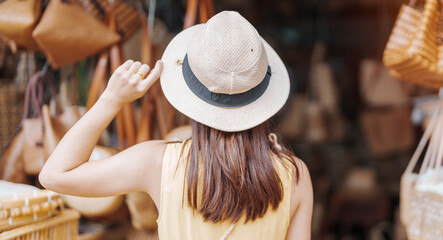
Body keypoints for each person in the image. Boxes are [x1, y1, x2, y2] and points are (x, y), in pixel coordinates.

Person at [39, 11, 313, 239]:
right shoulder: (295, 176)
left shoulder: (158, 163)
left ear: (192, 95)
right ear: (261, 97)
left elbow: (54, 175)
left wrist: (111, 100)